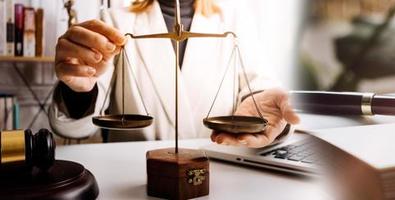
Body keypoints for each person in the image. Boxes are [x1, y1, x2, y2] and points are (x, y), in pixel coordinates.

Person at [49, 0, 300, 148]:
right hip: (132, 174)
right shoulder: (115, 20)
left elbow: (258, 86)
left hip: (219, 171)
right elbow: (83, 115)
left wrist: (266, 108)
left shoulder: (234, 21)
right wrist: (78, 90)